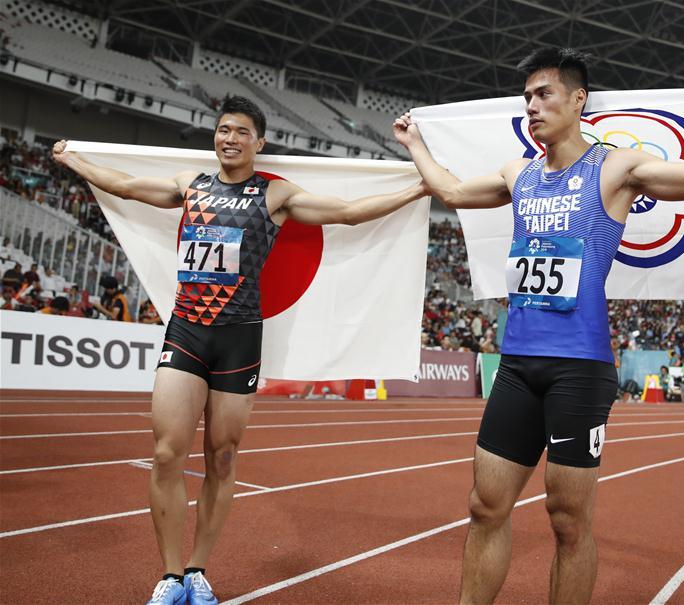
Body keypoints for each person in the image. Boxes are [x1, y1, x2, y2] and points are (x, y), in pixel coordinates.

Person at [394, 47, 684, 604]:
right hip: (516, 366)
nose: (531, 106)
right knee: (485, 506)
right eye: (526, 97)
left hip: (579, 369)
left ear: (578, 100)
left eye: (544, 94)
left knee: (567, 521)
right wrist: (414, 145)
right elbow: (455, 193)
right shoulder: (519, 173)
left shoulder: (617, 168)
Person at [52, 95, 427, 605]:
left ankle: (198, 569)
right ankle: (169, 577)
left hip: (239, 338)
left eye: (240, 132)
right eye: (223, 129)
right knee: (166, 454)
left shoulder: (273, 197)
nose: (229, 138)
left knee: (222, 458)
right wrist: (74, 160)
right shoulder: (192, 185)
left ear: (259, 142)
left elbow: (349, 212)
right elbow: (128, 186)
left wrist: (418, 187)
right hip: (186, 330)